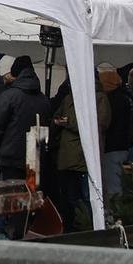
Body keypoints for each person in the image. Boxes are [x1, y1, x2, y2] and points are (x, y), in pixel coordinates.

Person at [0, 56, 52, 238]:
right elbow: (48, 130)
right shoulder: (44, 100)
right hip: (34, 157)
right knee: (27, 197)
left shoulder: (8, 96)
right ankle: (19, 233)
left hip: (10, 156)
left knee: (7, 194)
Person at [50, 64, 112, 232]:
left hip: (85, 158)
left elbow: (100, 124)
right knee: (70, 198)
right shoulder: (69, 98)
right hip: (67, 157)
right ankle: (73, 229)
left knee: (87, 197)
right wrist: (58, 122)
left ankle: (90, 229)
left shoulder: (100, 98)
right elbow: (56, 115)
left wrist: (68, 123)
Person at [100, 62, 132, 217]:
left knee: (112, 184)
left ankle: (113, 216)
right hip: (122, 146)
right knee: (116, 183)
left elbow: (107, 124)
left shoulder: (111, 100)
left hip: (112, 147)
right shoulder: (125, 98)